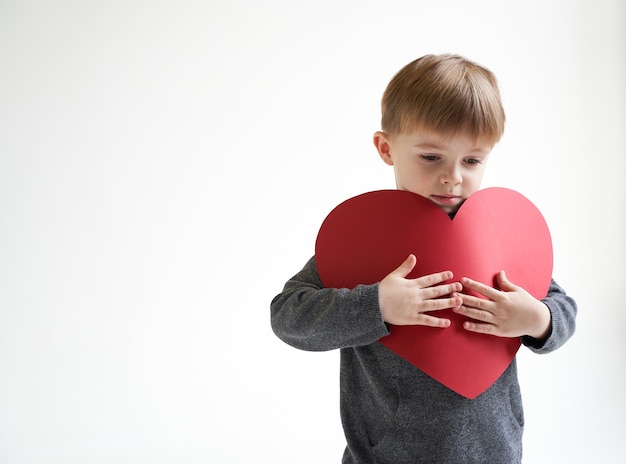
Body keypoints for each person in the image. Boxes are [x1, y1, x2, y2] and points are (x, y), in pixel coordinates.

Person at [270, 54, 577, 464]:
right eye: (431, 157)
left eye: (472, 160)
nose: (453, 177)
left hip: (494, 454)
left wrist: (537, 319)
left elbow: (561, 306)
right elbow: (288, 316)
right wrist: (376, 303)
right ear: (386, 148)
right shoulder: (362, 239)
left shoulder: (495, 236)